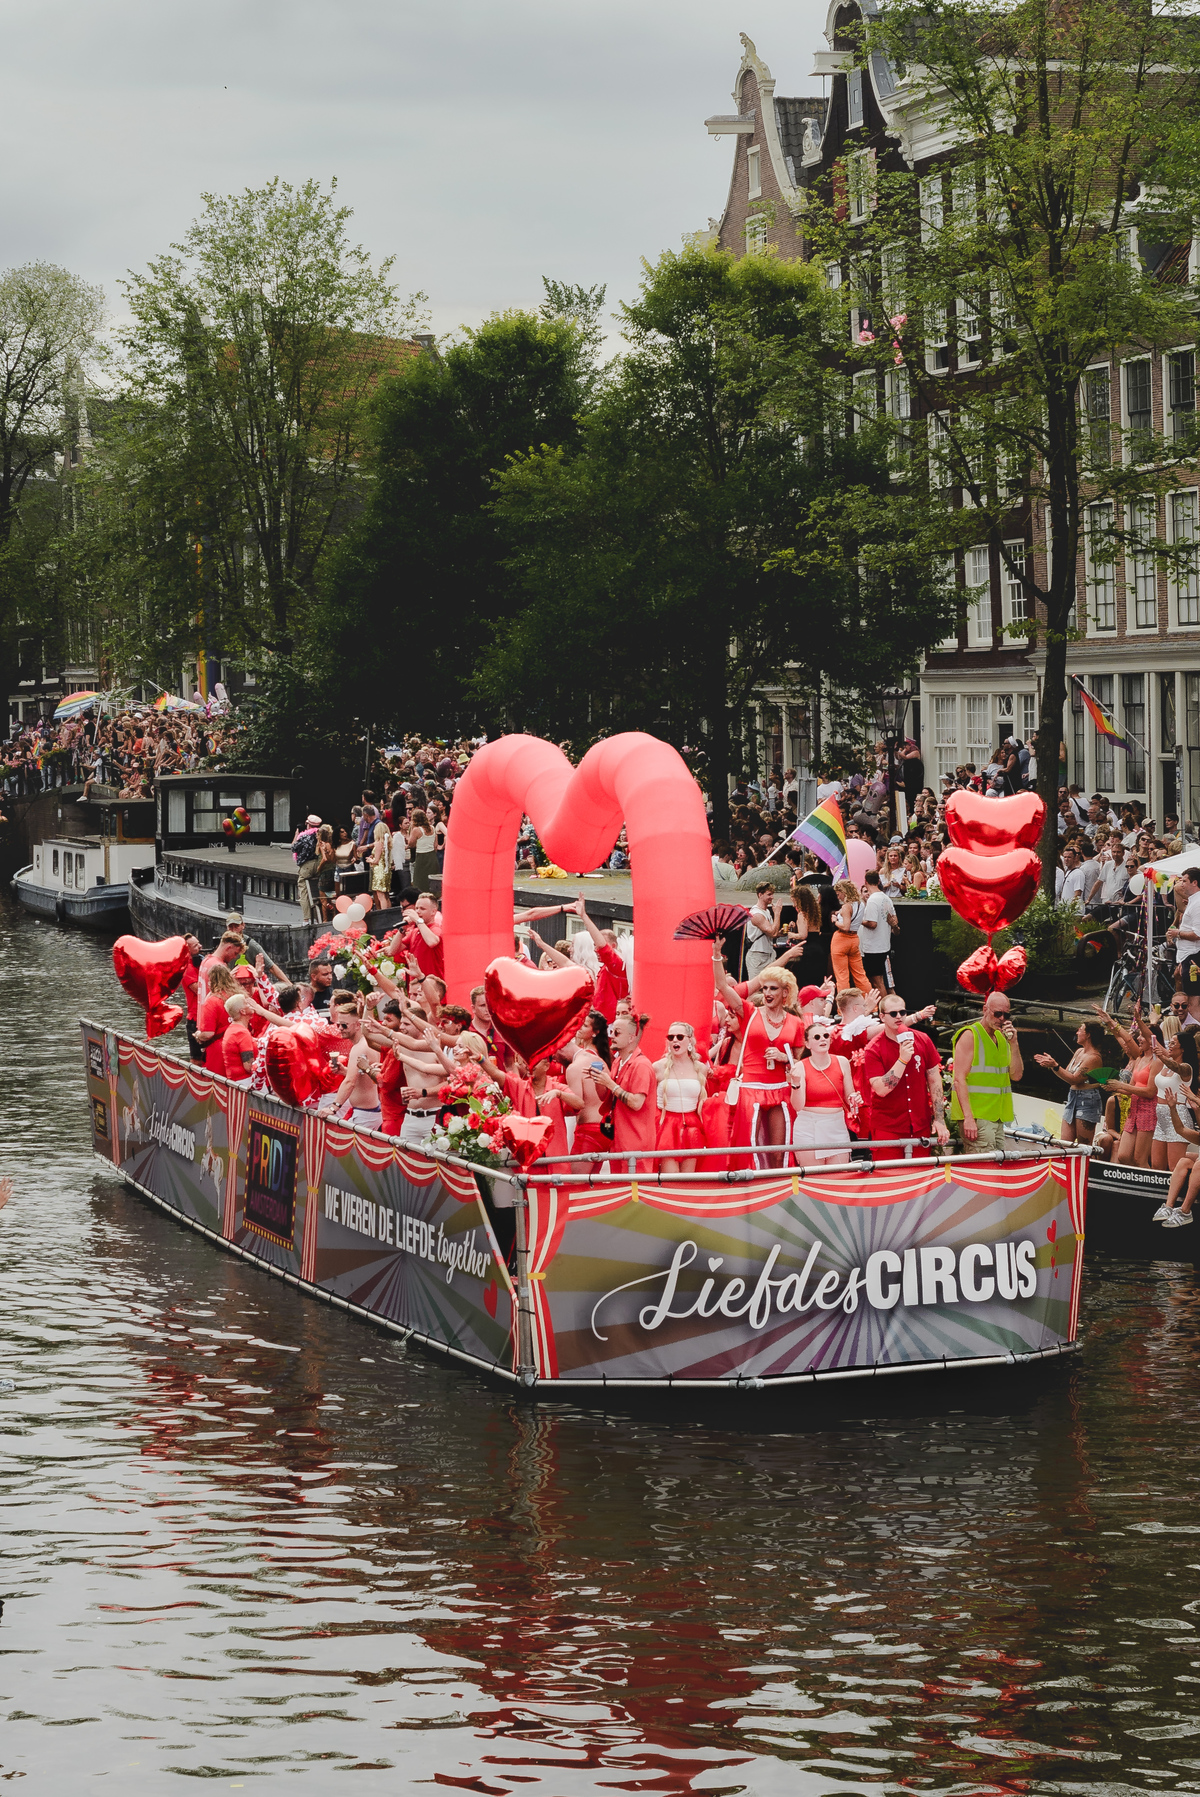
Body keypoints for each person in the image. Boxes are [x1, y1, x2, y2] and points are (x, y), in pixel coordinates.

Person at [864, 997, 950, 1159]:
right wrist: (902, 1060)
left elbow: (934, 1079)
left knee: (919, 1177)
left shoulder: (922, 1040)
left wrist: (939, 1119)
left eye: (902, 1012)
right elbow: (881, 1089)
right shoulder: (873, 1048)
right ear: (882, 1017)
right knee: (890, 1179)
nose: (899, 1017)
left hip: (919, 1125)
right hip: (888, 1127)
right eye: (893, 1013)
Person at [950, 991, 1023, 1148]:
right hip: (977, 1117)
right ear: (985, 1010)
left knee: (997, 1167)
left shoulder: (1002, 1038)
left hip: (997, 1117)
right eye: (997, 1014)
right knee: (983, 1167)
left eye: (1006, 1015)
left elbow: (1016, 1075)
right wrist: (968, 1118)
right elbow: (958, 1078)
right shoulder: (970, 1035)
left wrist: (1014, 1043)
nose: (1002, 1019)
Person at [789, 1016, 859, 1165]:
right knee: (813, 1180)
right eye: (817, 1037)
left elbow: (849, 1095)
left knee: (839, 1178)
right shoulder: (801, 1067)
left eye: (826, 1035)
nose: (823, 1039)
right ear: (807, 1044)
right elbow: (798, 1106)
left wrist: (855, 1098)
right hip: (808, 1127)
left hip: (836, 1126)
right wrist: (795, 1084)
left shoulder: (842, 1062)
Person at [1034, 1020, 1105, 1145]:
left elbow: (1074, 1079)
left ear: (1088, 1034)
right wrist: (1052, 1066)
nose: (1077, 1032)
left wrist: (1055, 1065)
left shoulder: (1094, 1058)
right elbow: (1067, 1074)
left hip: (1087, 1100)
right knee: (1064, 1144)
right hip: (1073, 1097)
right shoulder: (1079, 1051)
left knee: (1083, 1146)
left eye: (1080, 1029)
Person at [653, 1021, 709, 1175]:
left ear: (690, 1040)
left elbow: (704, 1103)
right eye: (671, 1037)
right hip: (666, 1125)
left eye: (679, 1036)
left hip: (691, 1126)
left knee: (688, 1179)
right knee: (670, 1178)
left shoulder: (701, 1068)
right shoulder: (657, 1067)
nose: (675, 1040)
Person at [571, 895, 630, 1021]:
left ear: (613, 946)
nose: (596, 949)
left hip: (608, 1022)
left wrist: (584, 916)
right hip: (599, 1019)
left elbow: (603, 948)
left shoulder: (618, 965)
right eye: (594, 945)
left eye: (597, 945)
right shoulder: (607, 966)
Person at [329, 1004, 384, 1132]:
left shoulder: (359, 1047)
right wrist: (346, 1071)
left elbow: (350, 1082)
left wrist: (333, 1108)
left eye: (344, 1025)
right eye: (338, 1025)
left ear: (358, 1024)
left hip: (366, 1113)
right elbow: (363, 1076)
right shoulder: (367, 1043)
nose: (340, 1029)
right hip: (369, 1111)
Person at [858, 870, 898, 995]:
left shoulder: (872, 900)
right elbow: (894, 921)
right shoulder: (887, 898)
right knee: (880, 982)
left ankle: (885, 1010)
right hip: (884, 945)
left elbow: (872, 923)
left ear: (866, 882)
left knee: (877, 982)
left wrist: (858, 920)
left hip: (873, 947)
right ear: (879, 881)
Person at [195, 964, 239, 1073]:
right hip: (239, 1044)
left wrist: (198, 1035)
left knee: (216, 1083)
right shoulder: (238, 997)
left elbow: (208, 1033)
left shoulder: (212, 1002)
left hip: (219, 1050)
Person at [830, 879, 870, 997]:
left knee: (842, 976)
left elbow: (845, 926)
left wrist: (835, 921)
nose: (838, 897)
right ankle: (871, 1005)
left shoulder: (847, 906)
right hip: (854, 939)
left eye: (838, 894)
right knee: (860, 974)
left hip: (841, 939)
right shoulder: (860, 904)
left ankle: (843, 1008)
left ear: (843, 892)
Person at [225, 913, 285, 984]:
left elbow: (271, 967)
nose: (234, 930)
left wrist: (290, 985)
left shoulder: (251, 945)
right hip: (231, 986)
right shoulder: (223, 945)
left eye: (236, 926)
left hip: (249, 986)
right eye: (230, 927)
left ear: (243, 926)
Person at [398, 892, 444, 982]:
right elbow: (393, 950)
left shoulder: (435, 928)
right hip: (416, 983)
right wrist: (402, 929)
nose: (418, 912)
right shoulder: (415, 931)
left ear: (433, 912)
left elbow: (432, 942)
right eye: (416, 908)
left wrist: (418, 921)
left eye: (422, 909)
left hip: (432, 983)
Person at [1166, 868, 1200, 984]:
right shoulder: (1192, 902)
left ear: (1194, 883)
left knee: (1193, 997)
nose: (1181, 885)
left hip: (1193, 955)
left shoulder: (1197, 904)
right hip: (1186, 954)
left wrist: (1177, 933)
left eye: (1184, 881)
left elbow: (1198, 934)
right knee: (1178, 977)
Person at [744, 883, 783, 979]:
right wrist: (777, 913)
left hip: (769, 954)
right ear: (760, 895)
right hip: (757, 956)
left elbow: (772, 934)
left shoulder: (766, 911)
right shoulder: (756, 914)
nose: (772, 897)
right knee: (756, 989)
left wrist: (779, 934)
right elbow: (771, 931)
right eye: (769, 894)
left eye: (772, 894)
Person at [222, 993, 258, 1083]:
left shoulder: (232, 1028)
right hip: (246, 1082)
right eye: (247, 1003)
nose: (251, 1004)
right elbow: (249, 1066)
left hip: (235, 1081)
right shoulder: (241, 1032)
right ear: (243, 1011)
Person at [407, 810, 439, 889]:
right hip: (432, 856)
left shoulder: (416, 830)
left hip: (422, 857)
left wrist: (410, 831)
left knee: (420, 880)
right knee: (432, 881)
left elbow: (410, 844)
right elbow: (435, 845)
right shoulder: (432, 828)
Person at [366, 818, 392, 912]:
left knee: (381, 896)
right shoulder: (387, 843)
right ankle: (389, 913)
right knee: (386, 895)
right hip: (386, 870)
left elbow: (376, 861)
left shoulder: (378, 843)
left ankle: (383, 914)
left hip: (379, 870)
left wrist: (370, 860)